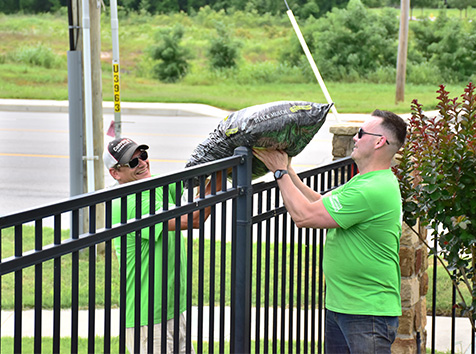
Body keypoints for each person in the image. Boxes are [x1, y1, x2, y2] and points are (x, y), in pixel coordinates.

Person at [253, 109, 407, 354]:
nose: (355, 138)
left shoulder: (372, 190)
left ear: (379, 142)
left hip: (366, 313)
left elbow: (304, 216)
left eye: (361, 133)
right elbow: (319, 203)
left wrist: (279, 172)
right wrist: (290, 171)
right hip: (342, 306)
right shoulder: (365, 181)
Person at [104, 137, 221, 354]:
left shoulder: (152, 184)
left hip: (171, 310)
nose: (142, 163)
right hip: (149, 319)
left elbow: (190, 189)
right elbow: (194, 219)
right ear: (115, 173)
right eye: (132, 162)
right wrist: (223, 174)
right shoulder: (131, 202)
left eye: (143, 156)